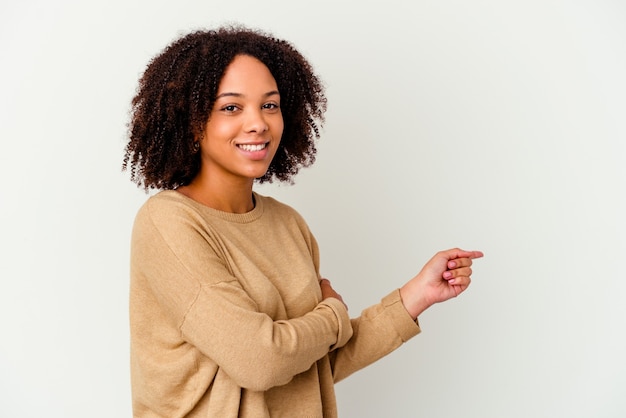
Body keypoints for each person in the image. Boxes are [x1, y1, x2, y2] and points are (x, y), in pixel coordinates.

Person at [123, 25, 483, 418]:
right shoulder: (168, 223)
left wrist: (416, 295)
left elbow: (310, 367)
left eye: (270, 105)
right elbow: (258, 361)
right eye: (231, 107)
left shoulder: (288, 224)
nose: (258, 123)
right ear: (193, 122)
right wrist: (332, 315)